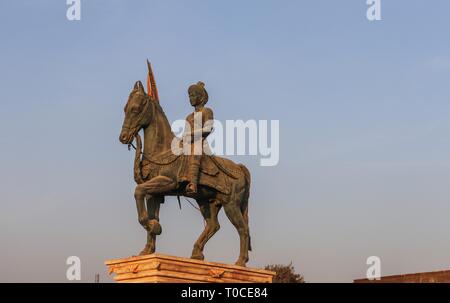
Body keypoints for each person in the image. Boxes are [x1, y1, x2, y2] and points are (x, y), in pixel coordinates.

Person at [183, 81, 214, 195]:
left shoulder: (207, 111)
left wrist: (191, 135)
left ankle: (193, 184)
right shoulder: (189, 117)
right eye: (189, 96)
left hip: (200, 144)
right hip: (188, 144)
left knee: (196, 149)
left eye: (193, 95)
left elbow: (208, 128)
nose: (190, 98)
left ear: (200, 97)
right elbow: (185, 134)